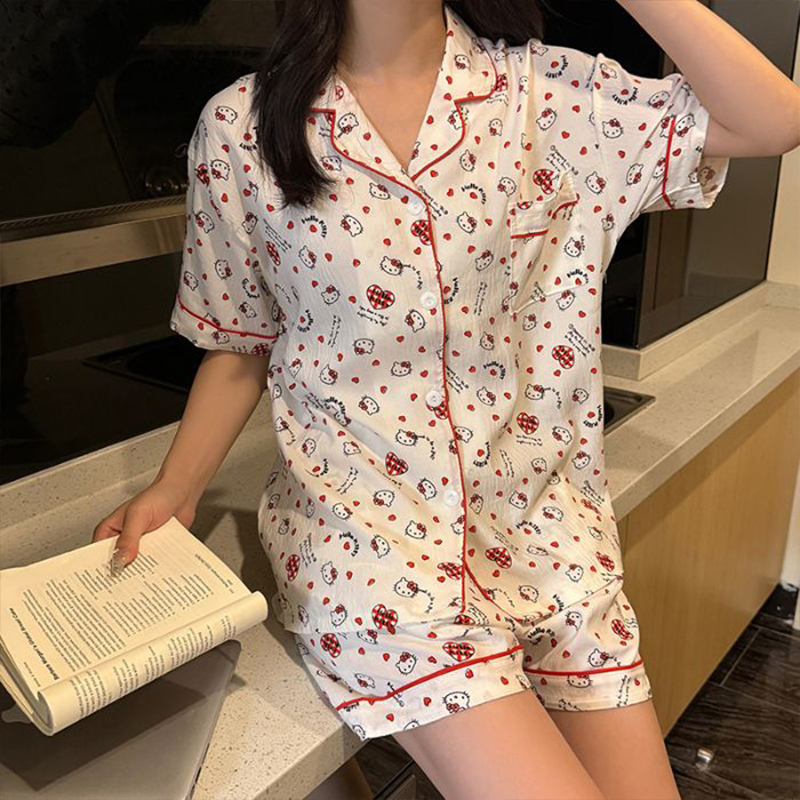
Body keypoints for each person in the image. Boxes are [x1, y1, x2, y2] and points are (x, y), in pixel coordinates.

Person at [93, 1, 800, 798]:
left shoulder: (551, 97)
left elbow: (774, 120)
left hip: (551, 543)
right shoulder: (242, 128)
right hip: (373, 553)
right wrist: (177, 487)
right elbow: (242, 341)